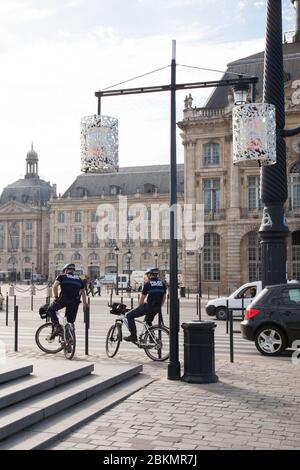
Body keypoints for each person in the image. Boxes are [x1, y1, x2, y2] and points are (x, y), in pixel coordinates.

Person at [123, 268, 167, 342]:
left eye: (147, 275)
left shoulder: (148, 284)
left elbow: (142, 299)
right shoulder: (162, 284)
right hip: (157, 308)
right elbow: (164, 297)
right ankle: (151, 339)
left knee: (129, 315)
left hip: (149, 307)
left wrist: (140, 307)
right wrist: (159, 306)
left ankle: (133, 336)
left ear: (150, 275)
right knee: (148, 321)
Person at [47, 263, 87, 339]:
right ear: (73, 271)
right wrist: (85, 304)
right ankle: (69, 342)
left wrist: (56, 297)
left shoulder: (62, 277)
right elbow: (83, 292)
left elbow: (55, 286)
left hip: (63, 300)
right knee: (70, 321)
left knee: (50, 309)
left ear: (65, 270)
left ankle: (56, 326)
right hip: (75, 302)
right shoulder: (79, 279)